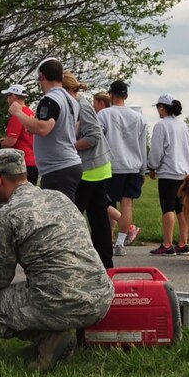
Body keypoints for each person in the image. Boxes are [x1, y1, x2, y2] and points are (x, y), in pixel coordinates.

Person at [0, 149, 114, 373]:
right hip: (101, 297)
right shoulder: (59, 198)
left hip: (61, 301)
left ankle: (49, 338)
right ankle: (57, 334)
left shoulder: (6, 216)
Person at [7, 58, 82, 202]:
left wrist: (18, 112)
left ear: (42, 76)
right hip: (69, 163)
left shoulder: (50, 99)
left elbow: (43, 128)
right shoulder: (71, 100)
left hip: (58, 168)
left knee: (57, 217)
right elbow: (69, 128)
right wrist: (33, 126)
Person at [63, 72, 115, 269]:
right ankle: (104, 262)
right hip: (98, 167)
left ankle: (79, 261)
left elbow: (93, 136)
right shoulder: (80, 104)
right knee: (98, 216)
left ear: (67, 90)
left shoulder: (81, 106)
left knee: (75, 215)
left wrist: (70, 146)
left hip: (91, 168)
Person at [98, 80, 147, 256]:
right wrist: (143, 169)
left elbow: (98, 138)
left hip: (111, 164)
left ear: (111, 95)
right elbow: (142, 146)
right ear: (126, 96)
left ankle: (104, 239)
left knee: (101, 201)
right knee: (127, 205)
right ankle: (120, 243)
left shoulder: (104, 114)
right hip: (133, 165)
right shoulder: (138, 118)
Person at [146, 94, 189, 257]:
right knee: (181, 208)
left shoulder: (161, 126)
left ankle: (167, 244)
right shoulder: (183, 125)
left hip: (169, 172)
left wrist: (152, 167)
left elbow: (157, 150)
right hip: (186, 172)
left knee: (167, 207)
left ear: (162, 107)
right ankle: (183, 243)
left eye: (158, 108)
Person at [0, 83, 38, 185]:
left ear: (13, 97)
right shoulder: (31, 112)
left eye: (8, 96)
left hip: (22, 163)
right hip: (33, 161)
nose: (7, 99)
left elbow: (11, 141)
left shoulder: (18, 115)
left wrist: (1, 143)